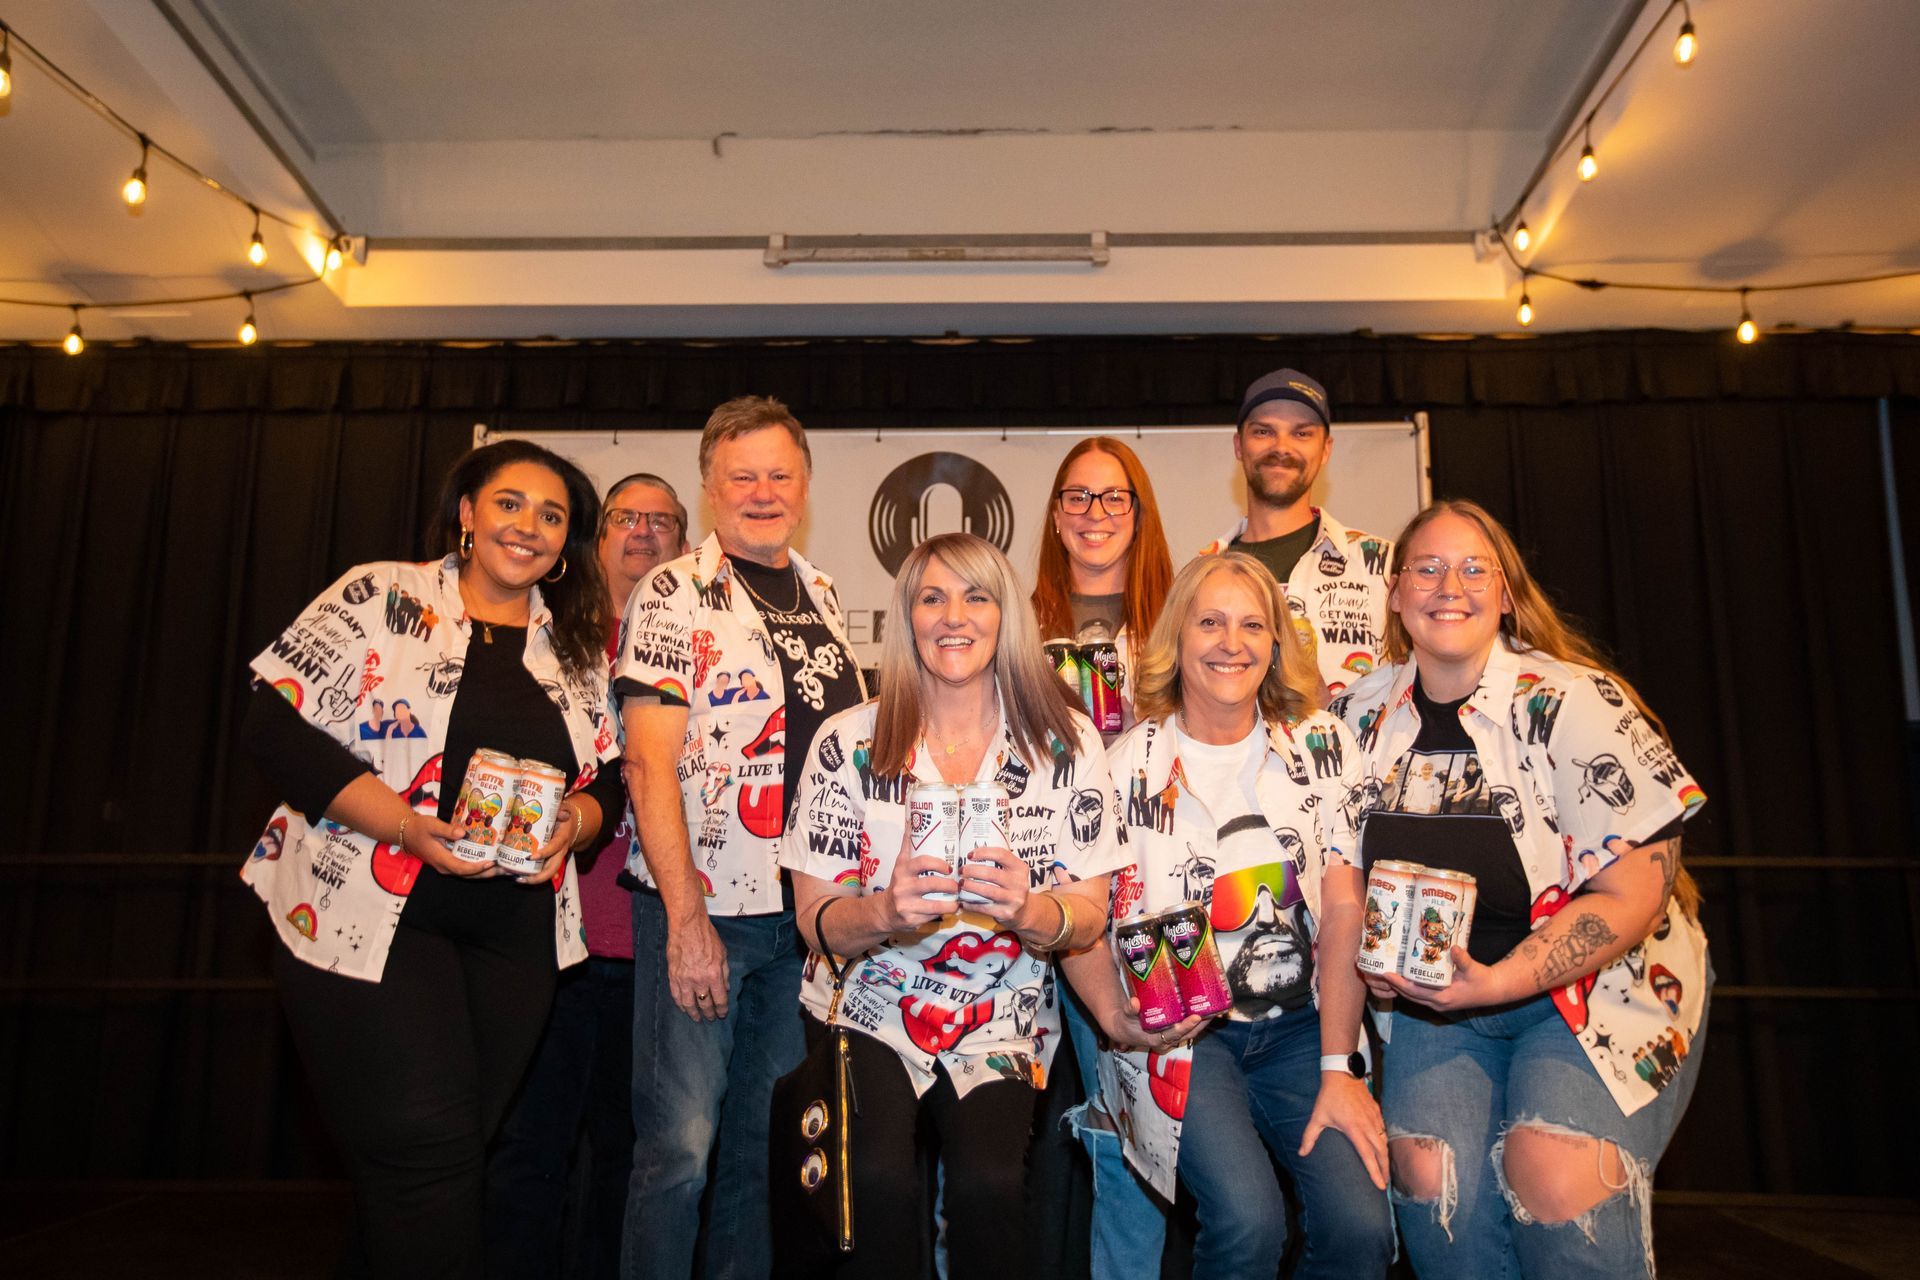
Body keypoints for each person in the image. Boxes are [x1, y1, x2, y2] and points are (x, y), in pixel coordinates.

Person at [240, 439, 624, 1278]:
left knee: (427, 1170)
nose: (529, 526)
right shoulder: (383, 594)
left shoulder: (575, 651)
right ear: (467, 514)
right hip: (368, 919)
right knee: (426, 1158)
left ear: (567, 545)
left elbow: (612, 782)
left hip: (513, 943)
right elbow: (274, 728)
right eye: (511, 504)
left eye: (552, 516)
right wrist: (409, 829)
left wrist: (581, 822)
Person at [1333, 499, 1710, 1279]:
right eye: (1427, 569)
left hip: (1594, 989)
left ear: (1506, 594)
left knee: (1552, 1175)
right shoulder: (1352, 718)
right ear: (1397, 596)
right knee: (1430, 1181)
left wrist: (1503, 979)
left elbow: (1632, 894)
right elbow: (1333, 881)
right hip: (1437, 1003)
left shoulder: (1577, 702)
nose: (1451, 585)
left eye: (1475, 568)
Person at [780, 532, 1127, 1279]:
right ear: (906, 615)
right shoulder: (850, 742)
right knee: (873, 1183)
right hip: (865, 1001)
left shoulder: (1064, 744)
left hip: (1001, 1012)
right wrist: (883, 913)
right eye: (932, 597)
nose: (953, 615)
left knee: (990, 1189)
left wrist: (1028, 911)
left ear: (1007, 616)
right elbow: (812, 917)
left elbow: (1091, 911)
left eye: (976, 595)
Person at [1064, 552, 1394, 1280]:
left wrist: (1341, 1068)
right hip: (1188, 1039)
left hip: (1307, 1029)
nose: (1230, 642)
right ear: (1176, 638)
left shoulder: (1323, 746)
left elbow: (1343, 912)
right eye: (1209, 622)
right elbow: (1075, 918)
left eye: (1252, 624)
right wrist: (1115, 1019)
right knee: (1248, 1223)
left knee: (1361, 1230)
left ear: (1277, 642)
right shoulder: (1120, 768)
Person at [615, 396, 866, 1280]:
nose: (763, 492)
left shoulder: (824, 593)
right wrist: (686, 920)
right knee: (680, 1148)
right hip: (704, 908)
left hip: (798, 921)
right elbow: (647, 765)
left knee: (764, 1156)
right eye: (742, 476)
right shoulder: (672, 592)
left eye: (779, 474)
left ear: (804, 484)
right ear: (711, 488)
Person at [487, 472, 689, 1280]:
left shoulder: (701, 653)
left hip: (654, 954)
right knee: (528, 1154)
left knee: (634, 1163)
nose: (642, 532)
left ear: (685, 540)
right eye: (624, 517)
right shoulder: (548, 642)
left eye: (663, 521)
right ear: (596, 537)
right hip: (548, 943)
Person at [1027, 435, 1176, 1276]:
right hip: (1033, 907)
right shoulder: (1014, 625)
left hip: (1149, 910)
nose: (1094, 515)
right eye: (1077, 498)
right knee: (1009, 1139)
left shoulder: (1179, 624)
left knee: (1135, 1125)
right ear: (1054, 515)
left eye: (1113, 497)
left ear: (1138, 513)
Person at [1197, 368, 1393, 698]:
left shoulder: (1384, 566)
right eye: (1263, 432)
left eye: (1301, 434)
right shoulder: (1202, 574)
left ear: (1326, 449)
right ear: (1239, 446)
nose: (1281, 447)